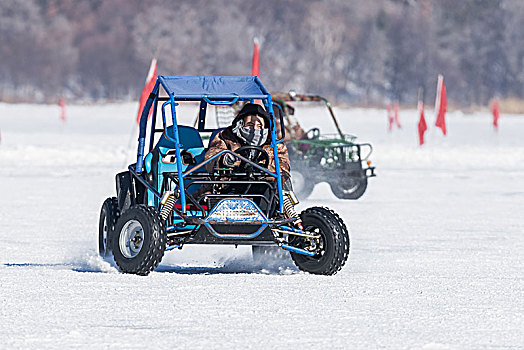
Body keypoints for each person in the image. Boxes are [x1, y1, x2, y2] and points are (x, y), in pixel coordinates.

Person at [204, 103, 291, 185]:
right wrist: (224, 158)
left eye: (259, 126)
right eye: (250, 124)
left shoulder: (274, 144)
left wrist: (264, 170)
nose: (255, 129)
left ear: (265, 127)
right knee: (202, 196)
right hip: (229, 185)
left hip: (263, 186)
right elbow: (211, 157)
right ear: (241, 124)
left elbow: (283, 168)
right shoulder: (226, 137)